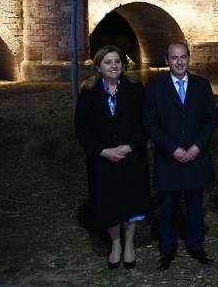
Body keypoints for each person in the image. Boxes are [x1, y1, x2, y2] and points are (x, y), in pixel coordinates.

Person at [75, 45, 150, 270]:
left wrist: (129, 147)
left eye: (117, 61)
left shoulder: (135, 88)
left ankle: (129, 244)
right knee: (108, 204)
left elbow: (145, 122)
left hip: (131, 157)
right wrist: (102, 151)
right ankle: (115, 244)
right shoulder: (88, 92)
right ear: (98, 66)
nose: (114, 66)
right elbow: (82, 128)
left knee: (131, 203)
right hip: (102, 160)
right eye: (108, 62)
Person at [143, 42, 216, 270]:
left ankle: (196, 246)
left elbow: (209, 120)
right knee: (167, 207)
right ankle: (167, 249)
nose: (179, 62)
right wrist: (172, 148)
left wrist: (197, 147)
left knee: (195, 204)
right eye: (174, 58)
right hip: (169, 158)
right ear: (167, 60)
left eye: (183, 57)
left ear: (188, 58)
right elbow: (150, 123)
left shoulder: (202, 85)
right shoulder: (155, 88)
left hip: (196, 156)